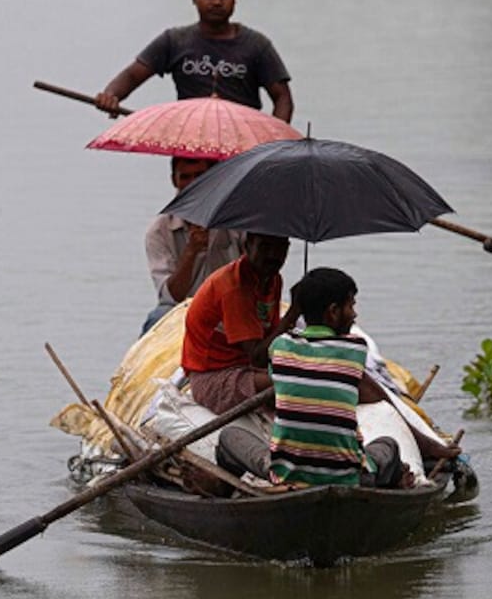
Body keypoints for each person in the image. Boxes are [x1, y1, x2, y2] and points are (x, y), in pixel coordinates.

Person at [215, 268, 460, 488]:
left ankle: (226, 487)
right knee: (388, 445)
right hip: (349, 476)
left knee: (229, 436)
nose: (354, 314)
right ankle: (394, 480)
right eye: (350, 305)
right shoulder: (355, 348)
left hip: (287, 475)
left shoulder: (279, 347)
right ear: (333, 312)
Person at [93, 0, 294, 122]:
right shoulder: (175, 41)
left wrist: (272, 143)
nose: (217, 2)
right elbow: (132, 75)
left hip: (241, 153)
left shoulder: (257, 46)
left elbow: (282, 98)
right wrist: (111, 95)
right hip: (191, 153)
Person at [180, 232, 300, 415]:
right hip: (213, 377)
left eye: (280, 248)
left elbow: (271, 340)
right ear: (247, 245)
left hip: (247, 368)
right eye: (265, 247)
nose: (273, 256)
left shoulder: (273, 279)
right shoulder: (234, 287)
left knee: (306, 375)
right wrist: (292, 315)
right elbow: (257, 356)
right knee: (296, 382)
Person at [141, 156, 244, 334]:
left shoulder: (235, 220)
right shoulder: (159, 230)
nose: (192, 184)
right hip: (181, 310)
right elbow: (170, 296)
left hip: (230, 306)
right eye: (185, 177)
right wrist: (192, 250)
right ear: (174, 180)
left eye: (199, 176)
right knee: (157, 318)